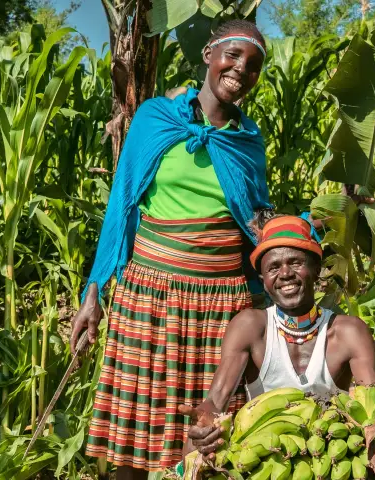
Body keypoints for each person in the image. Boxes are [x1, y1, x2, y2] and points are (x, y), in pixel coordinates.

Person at [68, 20, 271, 479]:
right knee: (135, 437)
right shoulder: (155, 119)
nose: (241, 69)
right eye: (233, 56)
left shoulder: (246, 142)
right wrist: (94, 292)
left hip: (221, 302)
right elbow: (122, 202)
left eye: (253, 66)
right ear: (208, 56)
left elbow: (255, 217)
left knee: (211, 440)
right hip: (150, 295)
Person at [183, 214, 375, 455]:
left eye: (296, 263)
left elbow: (372, 407)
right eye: (273, 267)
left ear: (317, 268)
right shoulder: (251, 327)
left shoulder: (349, 332)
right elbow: (216, 400)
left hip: (334, 454)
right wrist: (205, 423)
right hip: (262, 455)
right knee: (191, 449)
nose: (285, 273)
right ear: (264, 280)